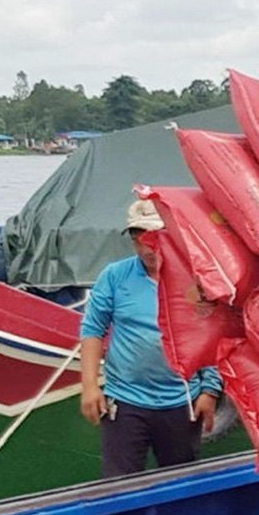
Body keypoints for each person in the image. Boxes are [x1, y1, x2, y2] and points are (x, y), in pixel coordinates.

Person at [79, 200, 224, 477]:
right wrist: (89, 387)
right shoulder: (115, 276)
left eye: (155, 236)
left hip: (181, 401)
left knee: (180, 485)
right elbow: (93, 329)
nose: (148, 246)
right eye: (139, 238)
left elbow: (211, 335)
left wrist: (209, 391)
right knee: (117, 488)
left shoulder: (197, 278)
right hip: (125, 401)